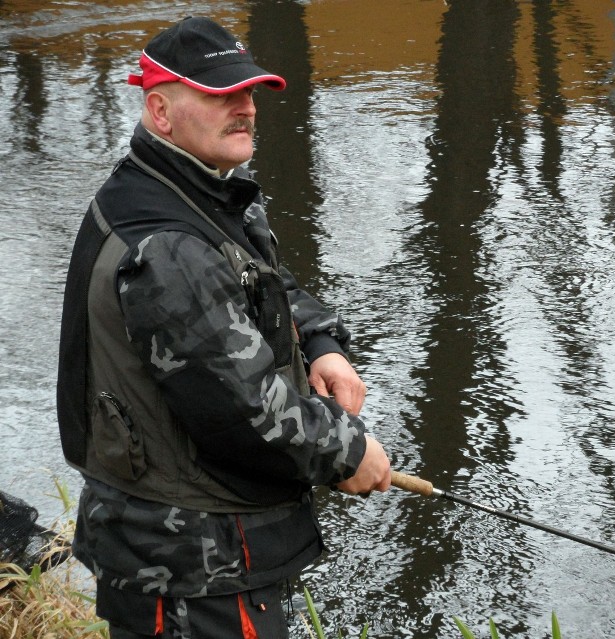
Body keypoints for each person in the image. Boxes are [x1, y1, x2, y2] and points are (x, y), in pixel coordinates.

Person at [56, 16, 391, 638]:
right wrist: (350, 452)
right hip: (189, 567)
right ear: (161, 111)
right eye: (219, 96)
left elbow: (263, 284)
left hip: (208, 550)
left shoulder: (201, 193)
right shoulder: (167, 245)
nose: (244, 109)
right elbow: (246, 411)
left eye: (248, 93)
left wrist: (320, 345)